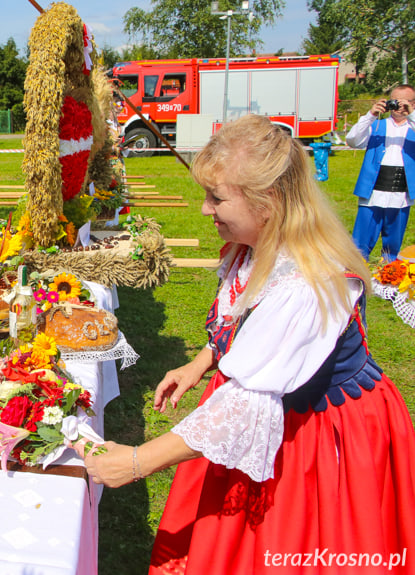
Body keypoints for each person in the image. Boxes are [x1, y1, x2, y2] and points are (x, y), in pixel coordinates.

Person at [79, 115, 415, 574]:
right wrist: (201, 362)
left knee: (294, 541)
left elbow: (246, 407)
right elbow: (243, 324)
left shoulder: (308, 283)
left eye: (216, 197)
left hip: (317, 432)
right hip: (265, 410)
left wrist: (137, 461)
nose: (204, 209)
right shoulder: (254, 246)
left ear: (268, 202)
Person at [346, 84, 415, 262]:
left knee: (392, 245)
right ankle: (356, 277)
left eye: (404, 102)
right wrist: (370, 115)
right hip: (372, 192)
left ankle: (389, 279)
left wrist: (411, 115)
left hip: (401, 193)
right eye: (394, 100)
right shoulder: (376, 125)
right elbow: (352, 140)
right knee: (360, 244)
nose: (398, 106)